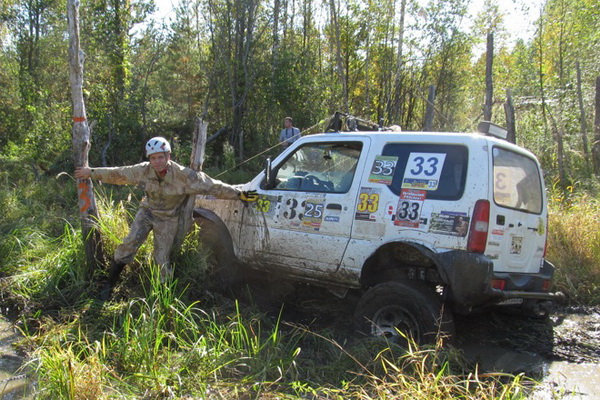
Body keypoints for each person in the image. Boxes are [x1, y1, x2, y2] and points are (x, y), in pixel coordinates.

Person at [74, 136, 257, 300]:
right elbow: (118, 173)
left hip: (168, 219)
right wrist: (91, 172)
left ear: (168, 156)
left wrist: (239, 194)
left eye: (161, 157)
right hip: (147, 212)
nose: (157, 162)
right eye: (153, 158)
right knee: (128, 245)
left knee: (161, 259)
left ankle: (162, 297)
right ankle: (108, 286)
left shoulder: (184, 175)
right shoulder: (143, 170)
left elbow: (212, 186)